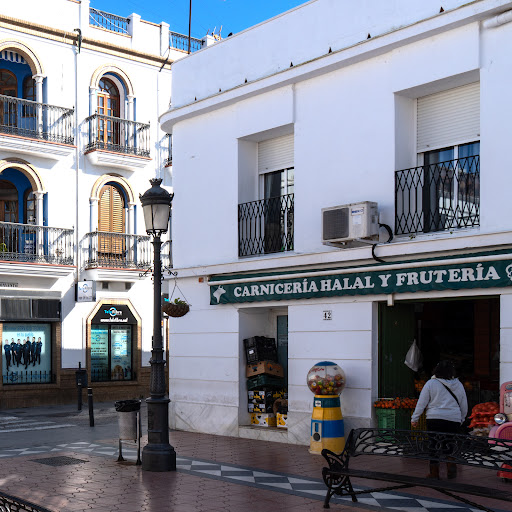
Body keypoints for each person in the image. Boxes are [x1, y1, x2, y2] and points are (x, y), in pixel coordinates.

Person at [411, 360, 468, 480]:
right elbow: (464, 404)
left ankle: (434, 473)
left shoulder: (431, 384)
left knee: (433, 444)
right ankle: (451, 466)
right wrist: (461, 418)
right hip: (453, 419)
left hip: (434, 418)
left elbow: (422, 403)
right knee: (449, 444)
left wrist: (415, 418)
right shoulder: (458, 385)